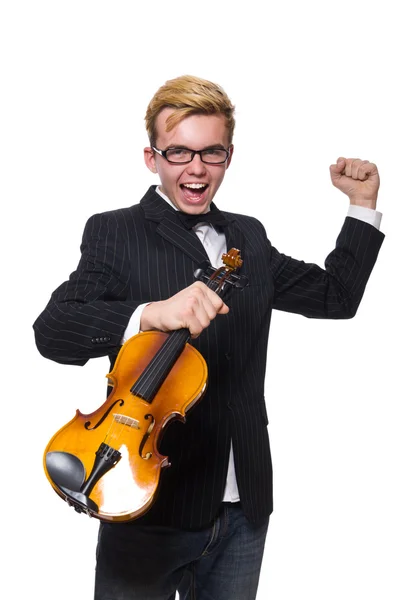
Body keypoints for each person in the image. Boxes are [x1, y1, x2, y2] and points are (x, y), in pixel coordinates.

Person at [33, 74, 384, 600]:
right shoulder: (115, 231)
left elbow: (336, 298)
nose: (196, 168)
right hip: (148, 499)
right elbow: (53, 331)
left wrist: (362, 204)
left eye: (210, 153)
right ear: (152, 159)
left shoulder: (248, 237)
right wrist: (150, 314)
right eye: (178, 153)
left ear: (228, 156)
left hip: (243, 508)